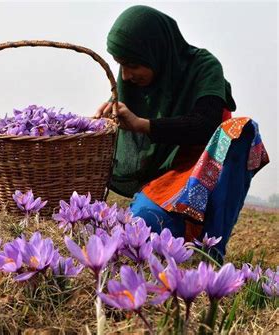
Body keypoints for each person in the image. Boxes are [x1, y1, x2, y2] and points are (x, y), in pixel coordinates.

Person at [95, 5, 269, 261]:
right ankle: (185, 240)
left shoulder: (203, 67)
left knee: (241, 131)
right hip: (168, 178)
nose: (126, 75)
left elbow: (204, 124)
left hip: (208, 168)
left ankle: (211, 254)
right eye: (121, 65)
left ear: (156, 52)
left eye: (132, 65)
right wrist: (101, 125)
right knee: (144, 226)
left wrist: (143, 124)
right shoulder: (132, 84)